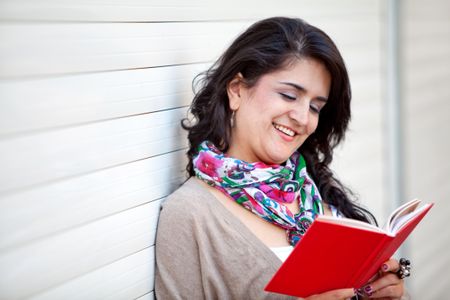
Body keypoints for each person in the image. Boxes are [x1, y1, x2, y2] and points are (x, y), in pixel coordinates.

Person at [155, 17, 408, 299]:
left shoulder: (314, 192)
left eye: (314, 107)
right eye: (289, 95)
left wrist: (391, 293)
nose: (302, 118)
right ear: (237, 90)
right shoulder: (191, 214)